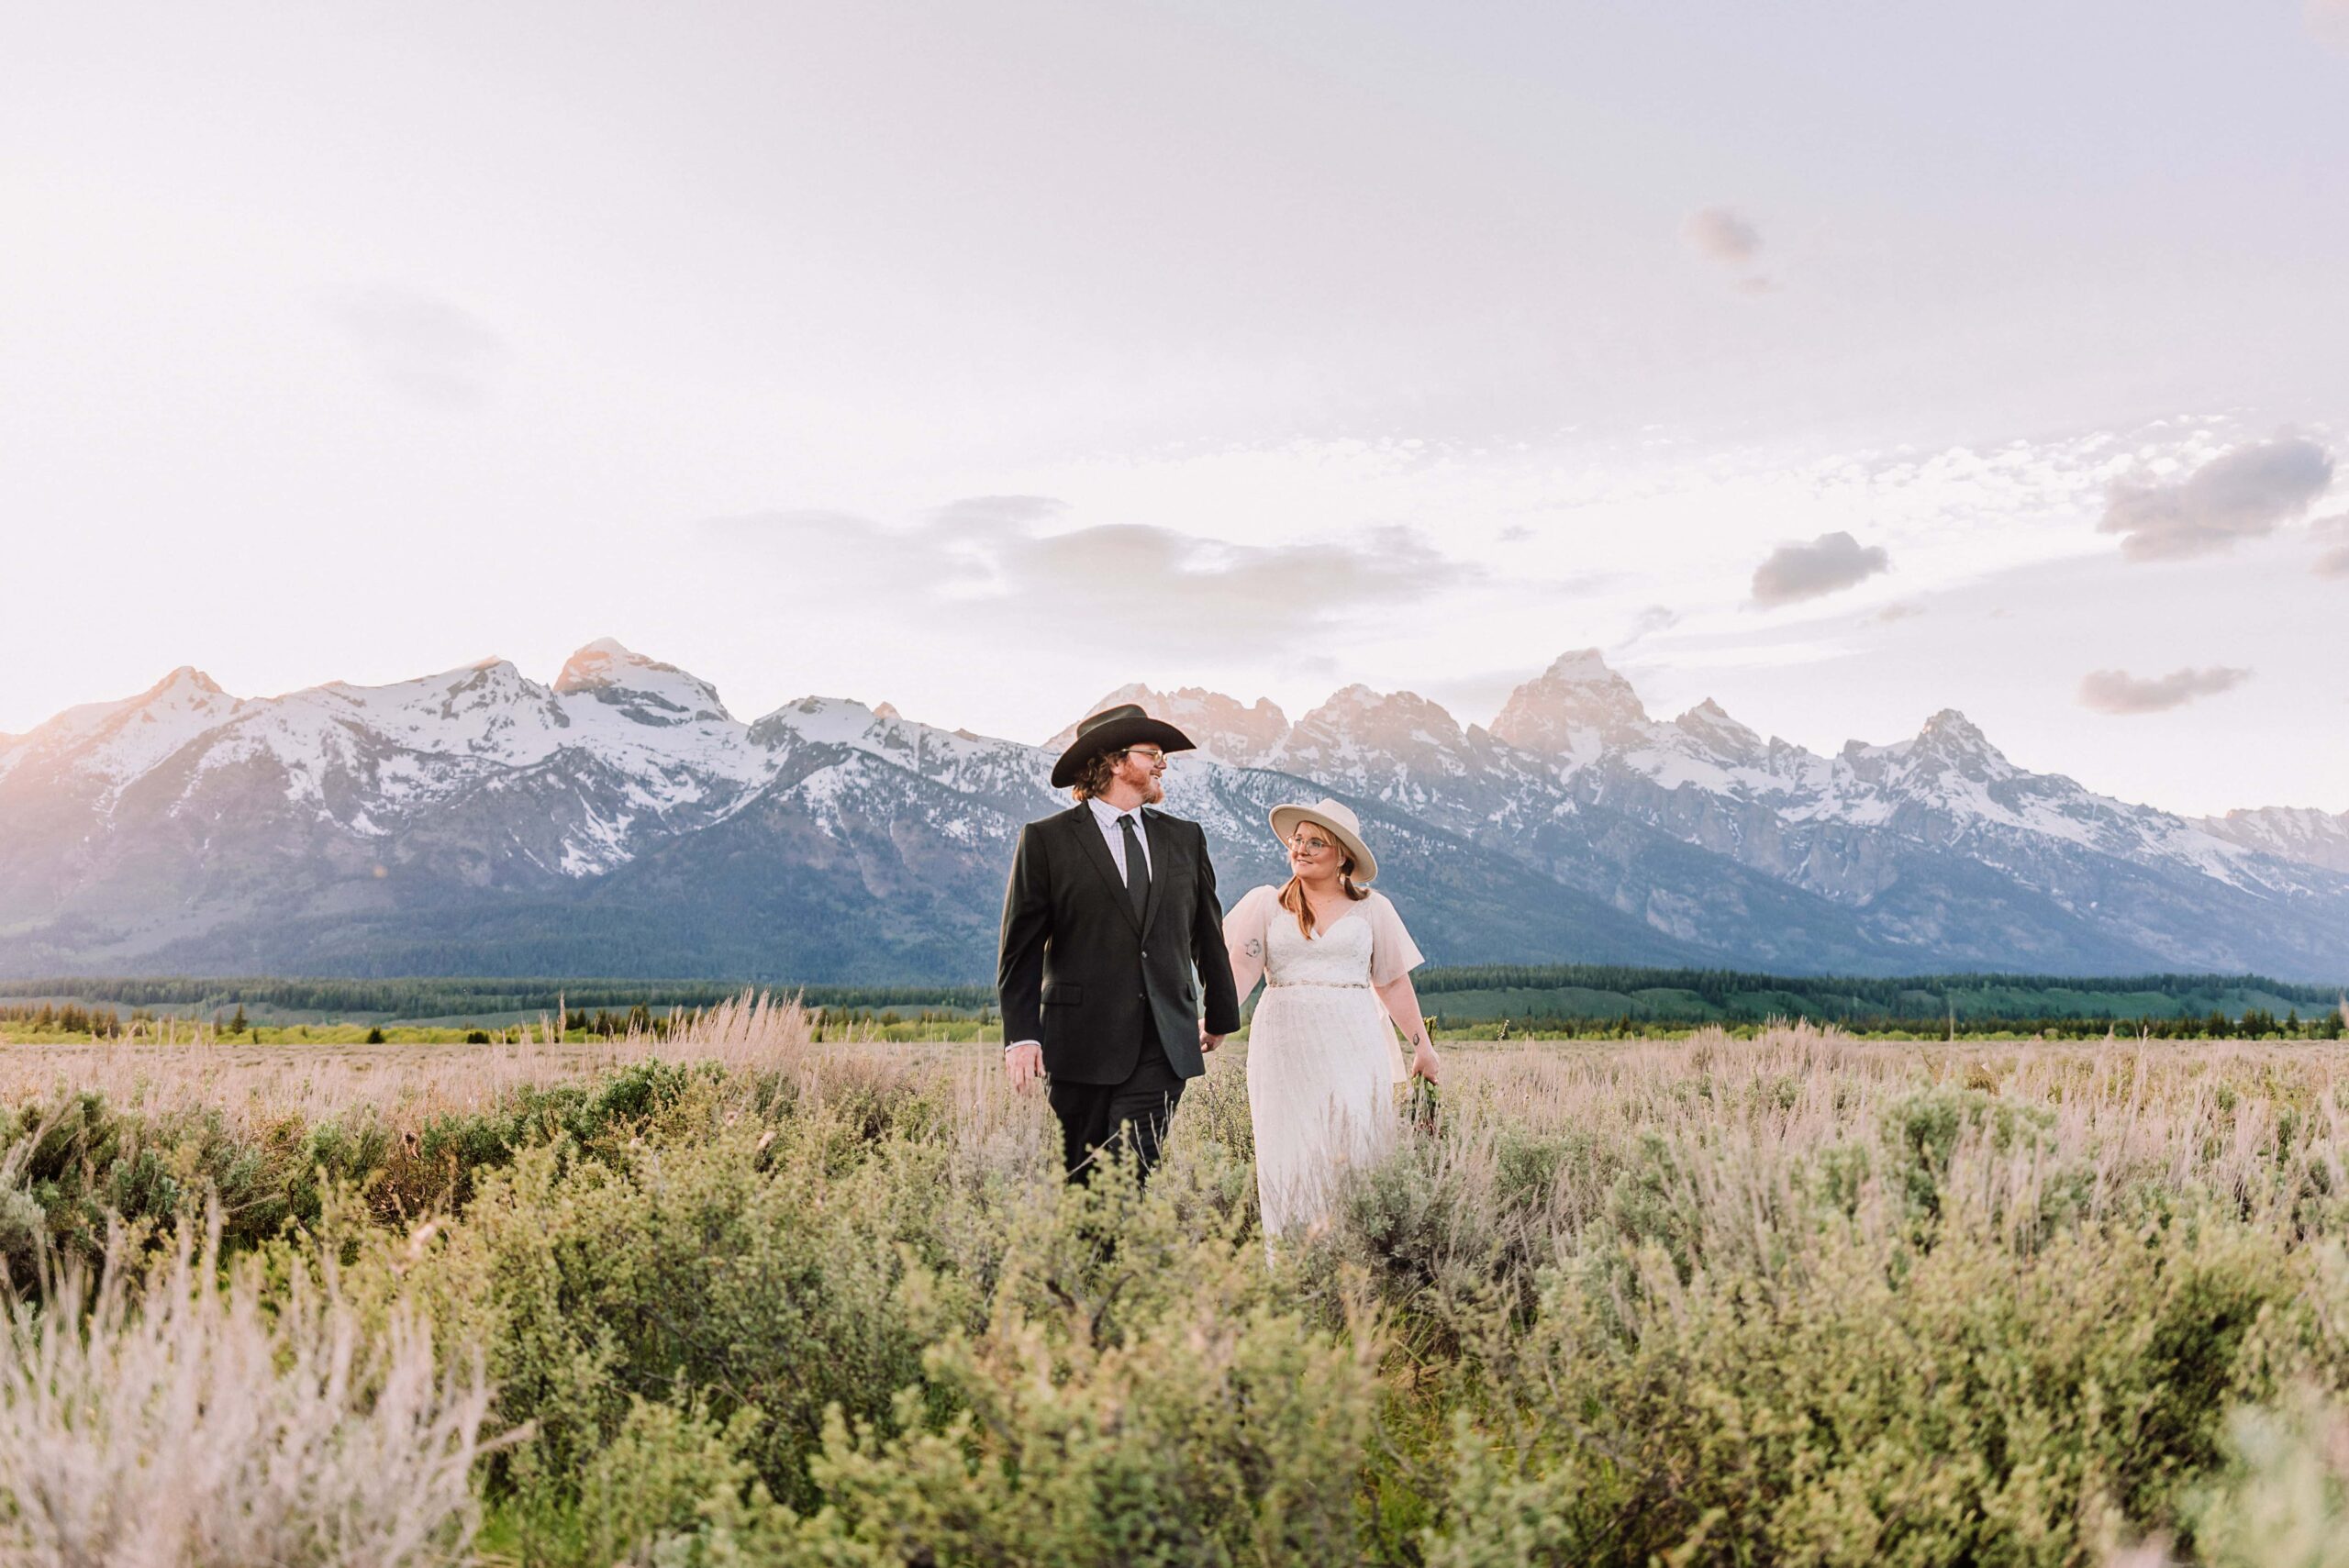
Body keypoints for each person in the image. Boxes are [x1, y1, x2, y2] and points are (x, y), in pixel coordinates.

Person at [996, 703, 1243, 1182]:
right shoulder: (1046, 841)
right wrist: (1022, 1035)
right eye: (1152, 753)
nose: (1163, 763)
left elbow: (1205, 931)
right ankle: (1094, 1259)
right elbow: (1020, 951)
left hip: (1164, 1040)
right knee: (1084, 1180)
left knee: (1129, 1172)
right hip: (1077, 1043)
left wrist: (1220, 1014)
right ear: (1114, 761)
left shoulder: (1185, 839)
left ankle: (1118, 1253)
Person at [1223, 796, 1440, 1240]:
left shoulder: (1373, 909)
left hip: (1354, 1038)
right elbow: (1241, 971)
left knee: (1355, 1139)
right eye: (1296, 839)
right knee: (1289, 1145)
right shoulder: (1267, 904)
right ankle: (1289, 1259)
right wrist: (1216, 1023)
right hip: (1283, 1041)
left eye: (1314, 842)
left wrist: (1423, 1047)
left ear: (1342, 854)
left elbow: (1393, 983)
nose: (1299, 849)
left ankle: (1353, 1257)